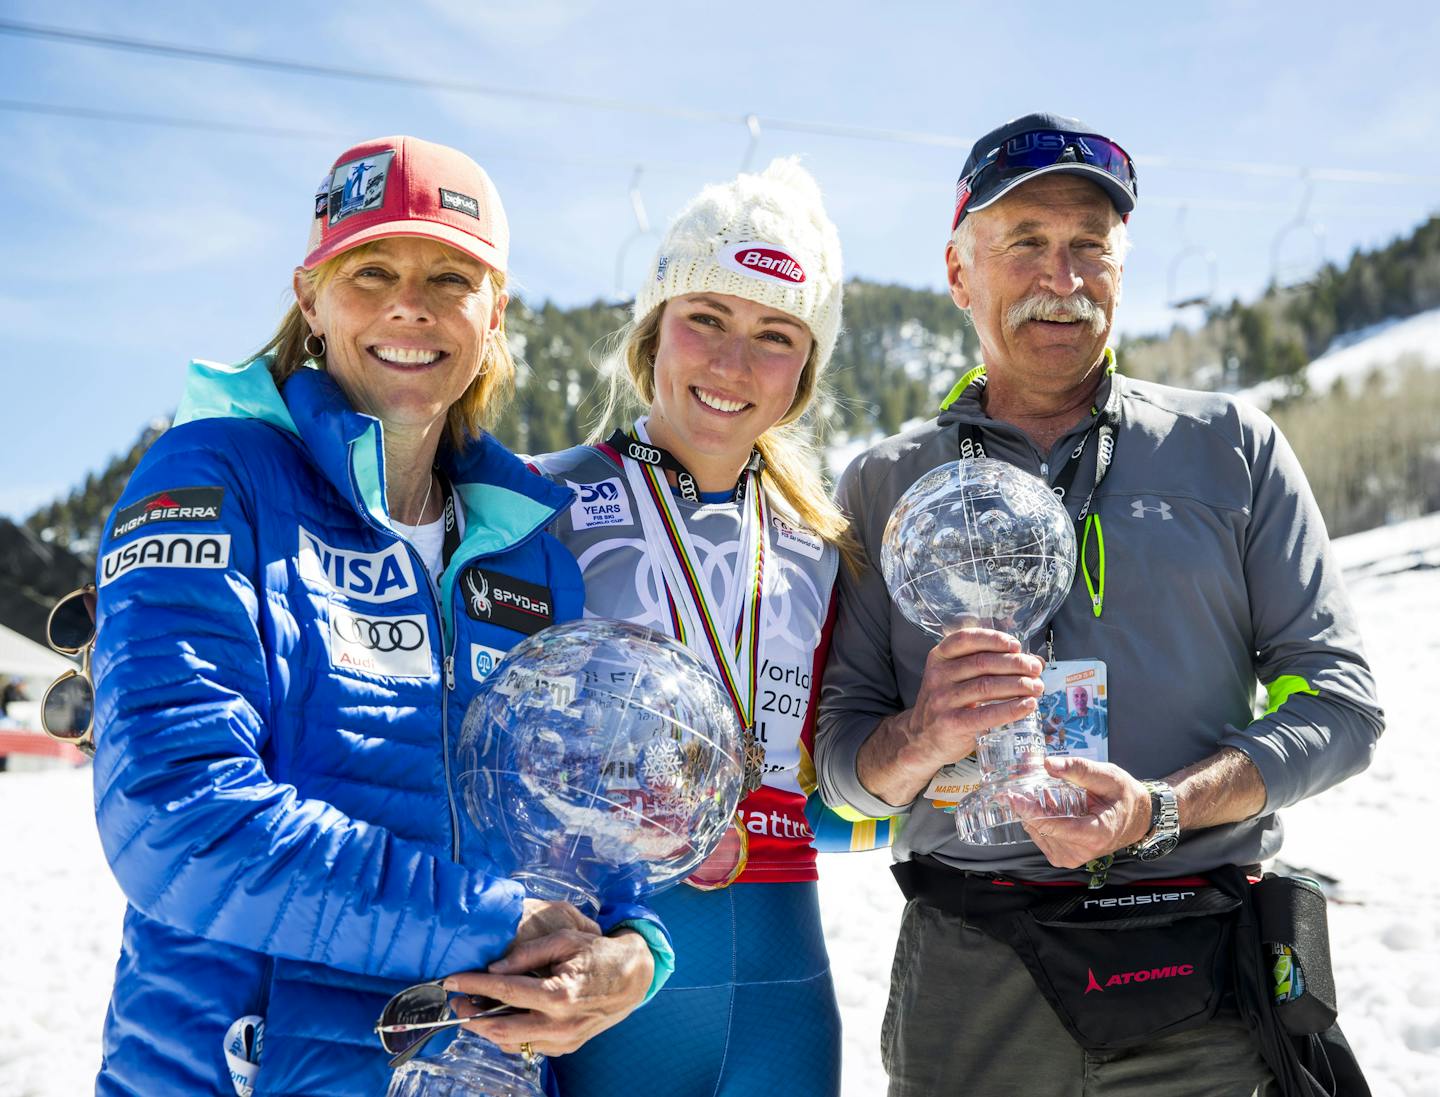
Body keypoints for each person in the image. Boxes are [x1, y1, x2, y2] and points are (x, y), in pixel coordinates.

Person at [814, 113, 1384, 1097]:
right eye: (1026, 244)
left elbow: (1340, 704)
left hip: (1197, 971)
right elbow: (842, 773)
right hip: (970, 972)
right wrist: (919, 733)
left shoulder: (1231, 448)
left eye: (1090, 248)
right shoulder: (885, 482)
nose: (1061, 279)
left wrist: (1161, 809)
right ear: (959, 274)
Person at [90, 136, 671, 1097]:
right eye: (372, 269)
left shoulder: (532, 551)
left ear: (496, 312)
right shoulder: (215, 476)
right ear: (310, 297)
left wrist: (633, 953)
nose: (412, 303)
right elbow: (176, 818)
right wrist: (495, 922)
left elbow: (574, 836)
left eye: (451, 275)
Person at [529, 158, 871, 1097]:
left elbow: (832, 796)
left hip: (783, 990)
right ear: (653, 330)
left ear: (806, 367)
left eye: (775, 335)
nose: (731, 364)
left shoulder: (822, 544)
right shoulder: (536, 502)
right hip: (605, 968)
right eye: (706, 320)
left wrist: (936, 774)